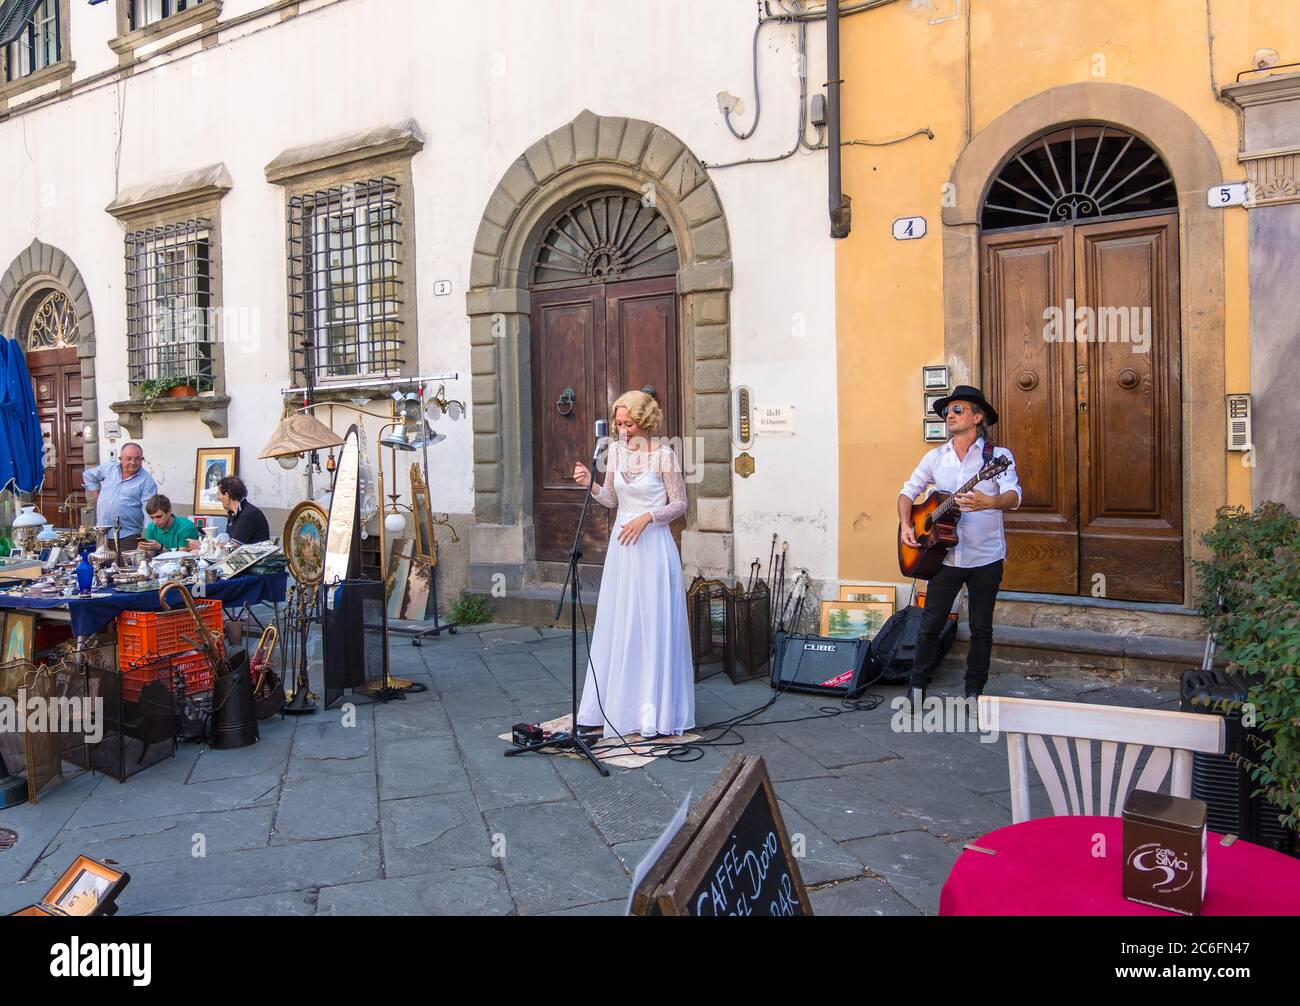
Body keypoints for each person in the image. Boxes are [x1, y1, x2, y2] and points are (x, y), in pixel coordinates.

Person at [571, 391, 695, 739]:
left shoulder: (664, 456)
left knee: (652, 626)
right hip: (623, 553)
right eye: (618, 423)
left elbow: (680, 504)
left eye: (628, 423)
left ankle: (652, 711)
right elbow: (611, 499)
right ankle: (615, 708)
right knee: (621, 624)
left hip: (654, 551)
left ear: (645, 422)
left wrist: (649, 517)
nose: (622, 430)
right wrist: (590, 485)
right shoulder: (615, 454)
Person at [898, 385, 1021, 706]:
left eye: (957, 410)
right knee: (930, 623)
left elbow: (1014, 496)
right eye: (947, 412)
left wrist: (990, 501)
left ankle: (974, 691)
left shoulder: (998, 457)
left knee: (981, 628)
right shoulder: (935, 457)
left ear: (977, 417)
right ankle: (917, 685)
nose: (949, 415)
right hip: (943, 557)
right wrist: (906, 526)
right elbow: (908, 492)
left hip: (986, 556)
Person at [82, 443, 157, 552]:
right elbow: (88, 475)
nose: (133, 462)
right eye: (129, 458)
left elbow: (149, 512)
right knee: (101, 565)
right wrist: (96, 495)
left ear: (142, 459)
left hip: (127, 536)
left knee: (124, 567)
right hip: (102, 533)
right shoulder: (109, 468)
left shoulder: (147, 481)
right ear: (120, 459)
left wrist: (147, 539)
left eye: (137, 459)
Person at [207, 475, 270, 545]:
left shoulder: (249, 514)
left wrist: (206, 545)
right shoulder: (233, 514)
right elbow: (227, 540)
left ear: (227, 495)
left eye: (219, 494)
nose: (218, 498)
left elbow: (233, 546)